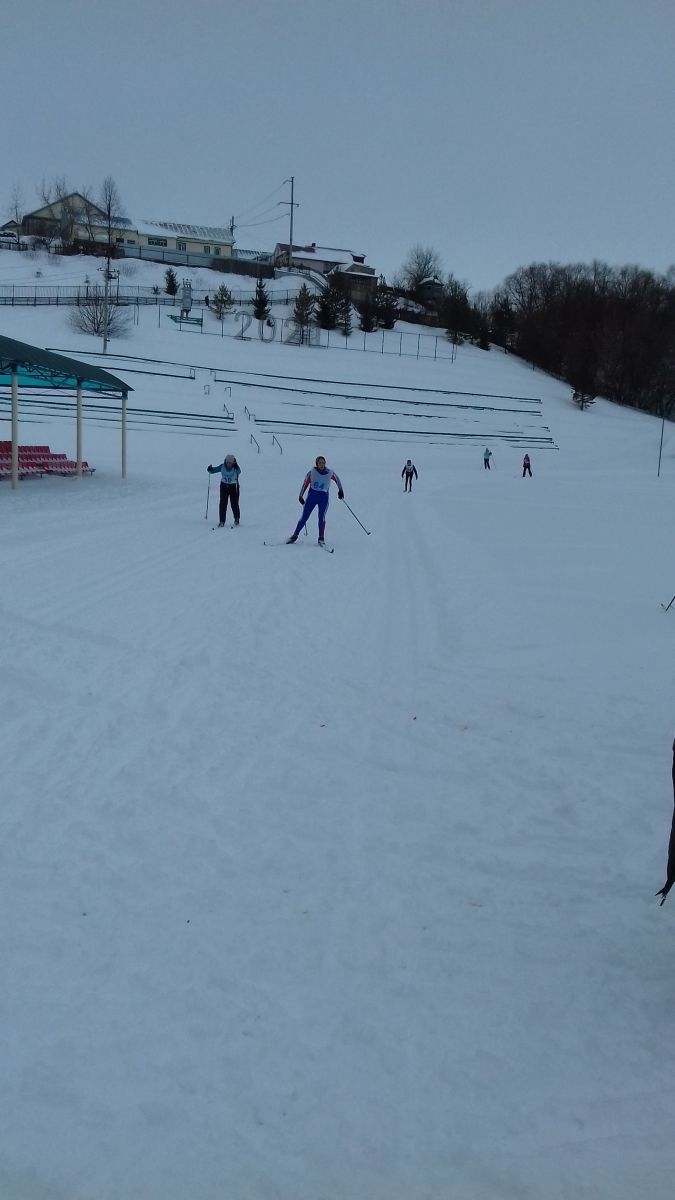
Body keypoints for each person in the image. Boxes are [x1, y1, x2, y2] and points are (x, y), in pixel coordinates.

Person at [287, 455, 344, 544]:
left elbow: (337, 480)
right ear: (316, 464)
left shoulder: (329, 473)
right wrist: (301, 496)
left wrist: (340, 490)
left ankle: (321, 538)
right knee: (304, 517)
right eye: (320, 463)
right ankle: (294, 536)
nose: (322, 464)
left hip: (323, 499)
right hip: (311, 498)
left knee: (321, 517)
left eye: (323, 463)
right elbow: (305, 484)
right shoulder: (312, 473)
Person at [207, 454, 241, 526]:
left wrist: (236, 466)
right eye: (227, 462)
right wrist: (210, 469)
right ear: (225, 461)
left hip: (233, 487)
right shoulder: (222, 466)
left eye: (230, 463)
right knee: (223, 503)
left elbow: (239, 472)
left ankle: (237, 518)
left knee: (234, 503)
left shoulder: (235, 467)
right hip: (224, 486)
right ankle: (222, 521)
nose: (228, 464)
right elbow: (214, 470)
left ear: (233, 462)